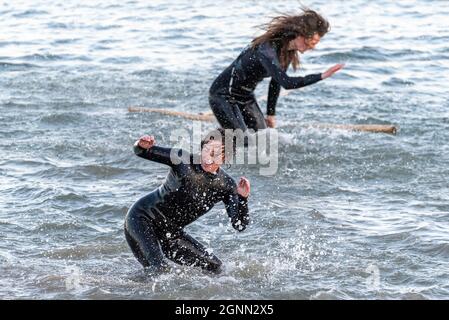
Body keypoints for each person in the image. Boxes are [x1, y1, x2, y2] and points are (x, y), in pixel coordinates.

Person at [124, 128, 250, 274]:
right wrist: (141, 145)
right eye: (206, 150)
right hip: (142, 219)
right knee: (159, 270)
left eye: (215, 154)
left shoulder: (226, 186)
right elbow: (141, 152)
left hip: (171, 234)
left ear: (225, 158)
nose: (208, 158)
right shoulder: (182, 159)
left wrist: (242, 199)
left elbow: (239, 225)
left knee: (216, 269)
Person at [209, 8, 344, 132]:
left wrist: (271, 114)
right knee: (242, 140)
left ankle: (227, 132)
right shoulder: (267, 50)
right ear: (301, 35)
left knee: (262, 137)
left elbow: (276, 82)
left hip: (246, 97)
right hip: (224, 95)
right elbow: (287, 83)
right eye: (313, 42)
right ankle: (211, 145)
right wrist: (322, 75)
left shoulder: (287, 51)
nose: (313, 47)